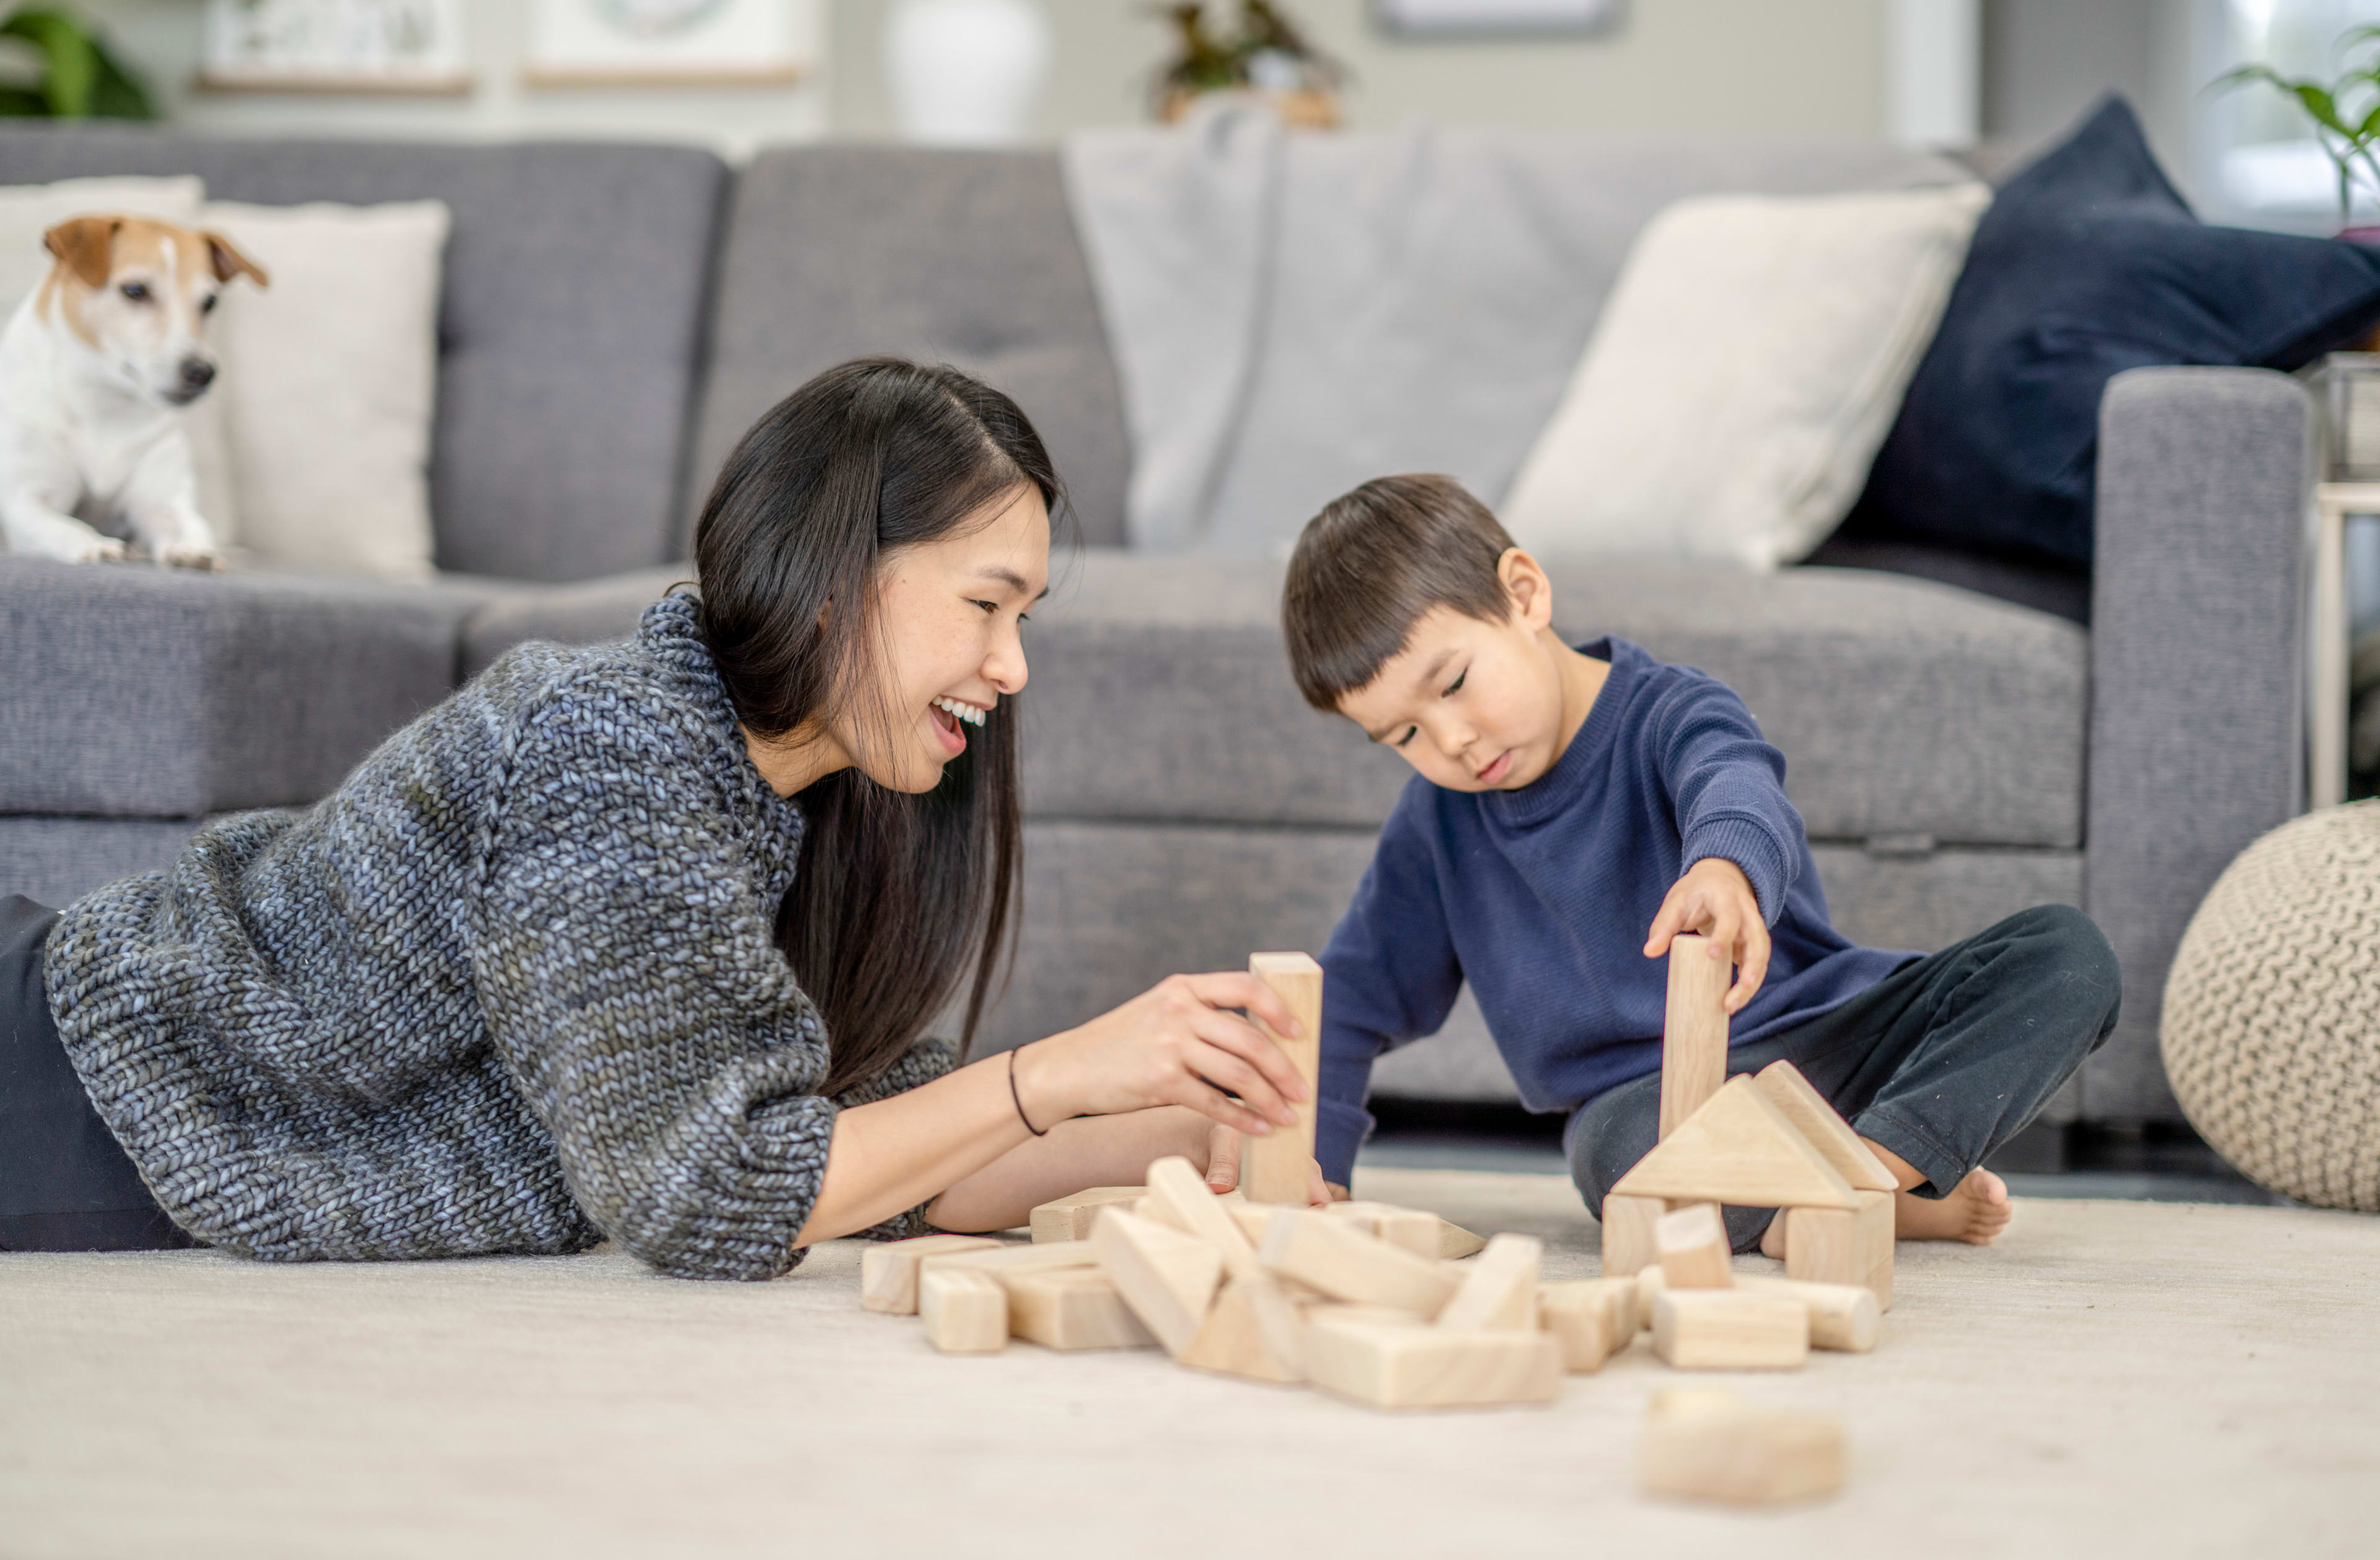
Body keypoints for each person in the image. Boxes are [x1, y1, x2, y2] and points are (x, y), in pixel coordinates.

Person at [0, 357, 1324, 1274]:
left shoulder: (806, 802)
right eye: (985, 603)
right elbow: (717, 1193)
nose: (1013, 667)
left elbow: (872, 1146)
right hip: (80, 1078)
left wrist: (1179, 1126)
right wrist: (1056, 1074)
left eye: (1026, 618)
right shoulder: (616, 741)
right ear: (835, 576)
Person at [1279, 474, 2122, 1254]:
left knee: (2063, 955)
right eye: (1405, 737)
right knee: (1625, 1167)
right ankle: (1863, 1193)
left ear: (1524, 595)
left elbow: (1736, 784)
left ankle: (1869, 1172)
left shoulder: (1670, 711)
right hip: (1651, 1107)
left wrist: (1725, 867)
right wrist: (1317, 1172)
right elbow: (1351, 998)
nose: (1451, 741)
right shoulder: (1438, 825)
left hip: (1825, 1045)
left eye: (1455, 682)